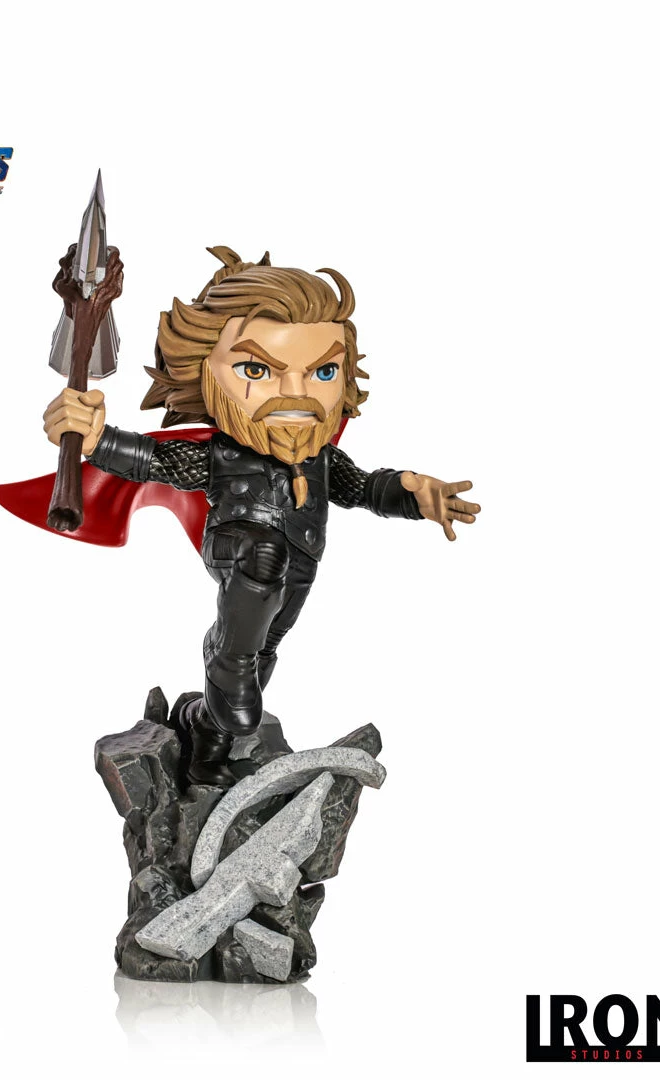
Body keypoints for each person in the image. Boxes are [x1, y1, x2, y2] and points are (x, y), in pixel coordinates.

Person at [43, 247, 480, 786]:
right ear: (203, 373)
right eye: (257, 370)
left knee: (266, 648)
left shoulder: (320, 459)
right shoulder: (223, 454)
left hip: (301, 564)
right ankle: (227, 662)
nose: (295, 393)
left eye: (322, 371)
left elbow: (363, 487)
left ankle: (209, 736)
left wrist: (412, 495)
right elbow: (156, 460)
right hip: (237, 545)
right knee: (260, 568)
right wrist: (96, 439)